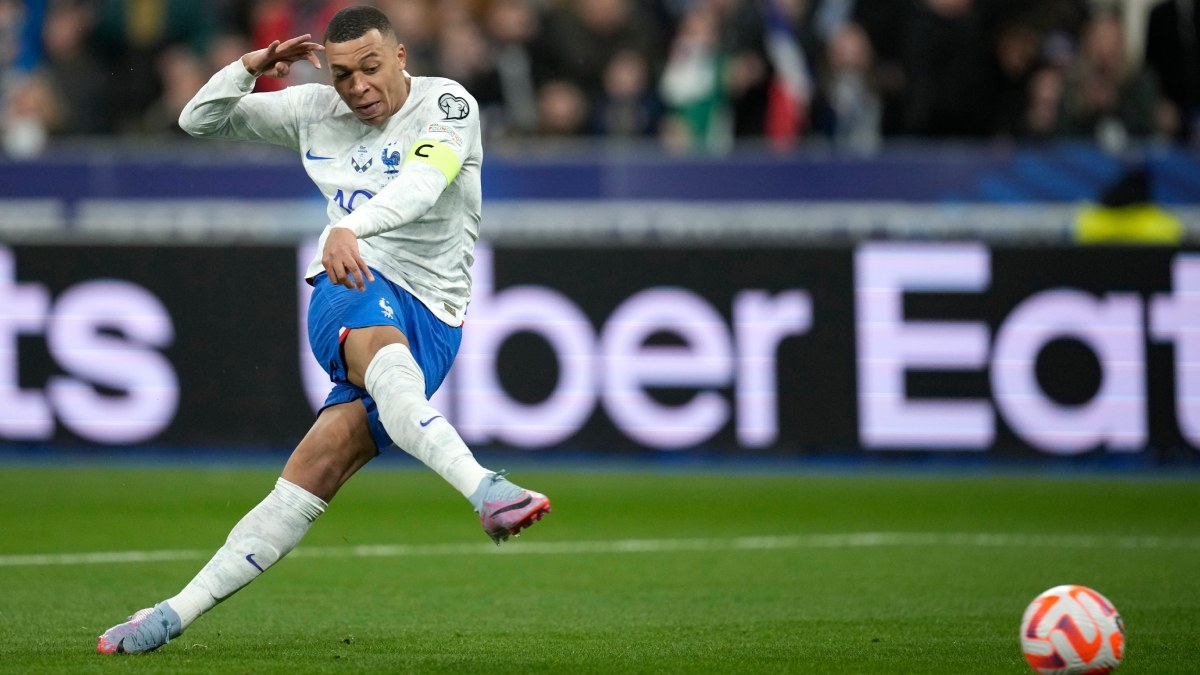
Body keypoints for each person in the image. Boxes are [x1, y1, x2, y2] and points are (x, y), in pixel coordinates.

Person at [96, 5, 551, 655]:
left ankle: (171, 612)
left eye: (371, 67)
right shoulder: (312, 109)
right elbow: (198, 119)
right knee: (391, 373)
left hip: (435, 315)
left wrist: (349, 225)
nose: (357, 87)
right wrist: (249, 68)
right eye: (342, 75)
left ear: (400, 58)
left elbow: (423, 185)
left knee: (311, 476)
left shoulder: (447, 105)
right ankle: (488, 490)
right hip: (351, 279)